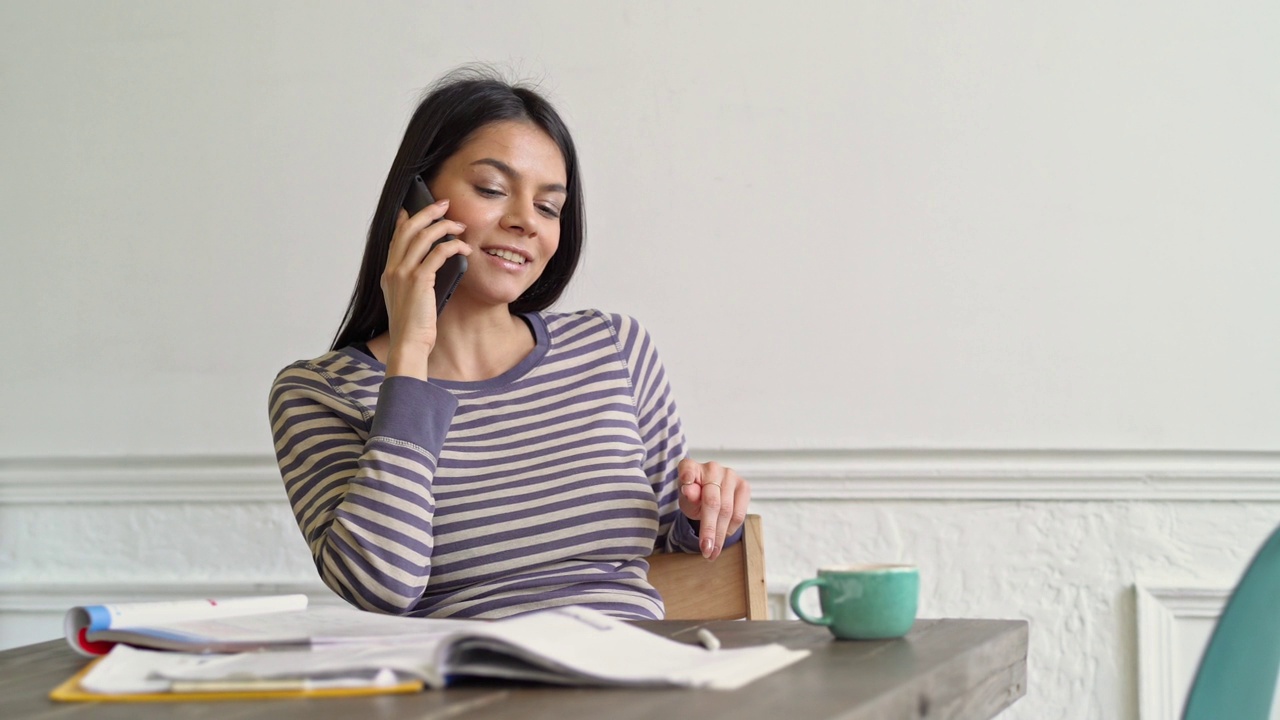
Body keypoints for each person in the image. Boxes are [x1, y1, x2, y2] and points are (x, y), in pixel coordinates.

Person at [268, 67, 750, 620]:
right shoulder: (318, 392)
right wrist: (409, 356)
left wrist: (709, 507)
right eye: (492, 190)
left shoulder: (613, 347)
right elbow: (381, 585)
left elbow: (677, 531)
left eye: (549, 207)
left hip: (635, 680)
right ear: (415, 199)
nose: (525, 221)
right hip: (472, 693)